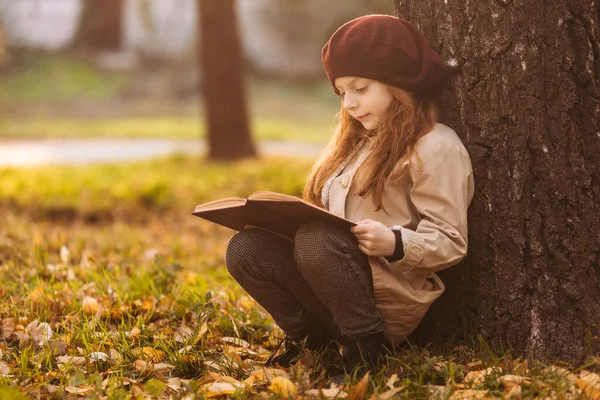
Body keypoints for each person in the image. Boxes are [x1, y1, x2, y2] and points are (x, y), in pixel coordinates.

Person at [225, 14, 474, 375]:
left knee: (316, 238)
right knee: (246, 247)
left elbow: (452, 240)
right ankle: (315, 344)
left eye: (361, 88)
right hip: (332, 286)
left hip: (384, 301)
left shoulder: (435, 147)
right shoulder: (357, 146)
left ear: (398, 81)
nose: (350, 104)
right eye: (342, 93)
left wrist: (394, 242)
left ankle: (367, 354)